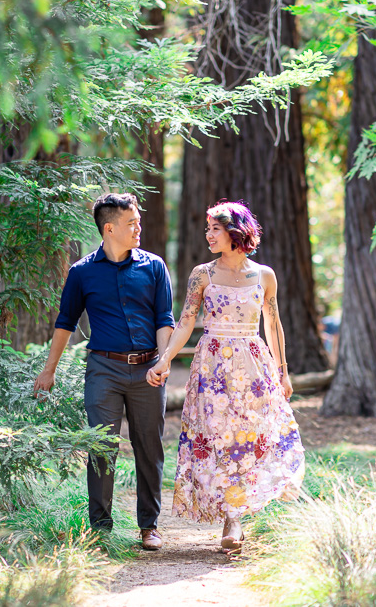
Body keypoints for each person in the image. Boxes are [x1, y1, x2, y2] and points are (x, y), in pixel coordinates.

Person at [147, 200, 304, 554]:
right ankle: (228, 514)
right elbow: (185, 320)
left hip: (252, 366)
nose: (208, 235)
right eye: (207, 229)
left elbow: (272, 323)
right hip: (212, 368)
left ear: (235, 231)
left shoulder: (264, 275)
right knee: (217, 437)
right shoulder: (202, 274)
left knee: (246, 438)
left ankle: (235, 518)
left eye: (214, 229)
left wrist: (283, 372)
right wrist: (164, 360)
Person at [34, 192, 174, 551]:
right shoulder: (82, 272)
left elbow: (164, 319)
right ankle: (100, 528)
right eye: (132, 223)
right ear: (109, 228)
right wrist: (49, 371)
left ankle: (149, 526)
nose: (139, 227)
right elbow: (65, 322)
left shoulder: (155, 267)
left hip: (147, 371)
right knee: (101, 448)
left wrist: (163, 360)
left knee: (149, 447)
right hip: (104, 371)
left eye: (138, 221)